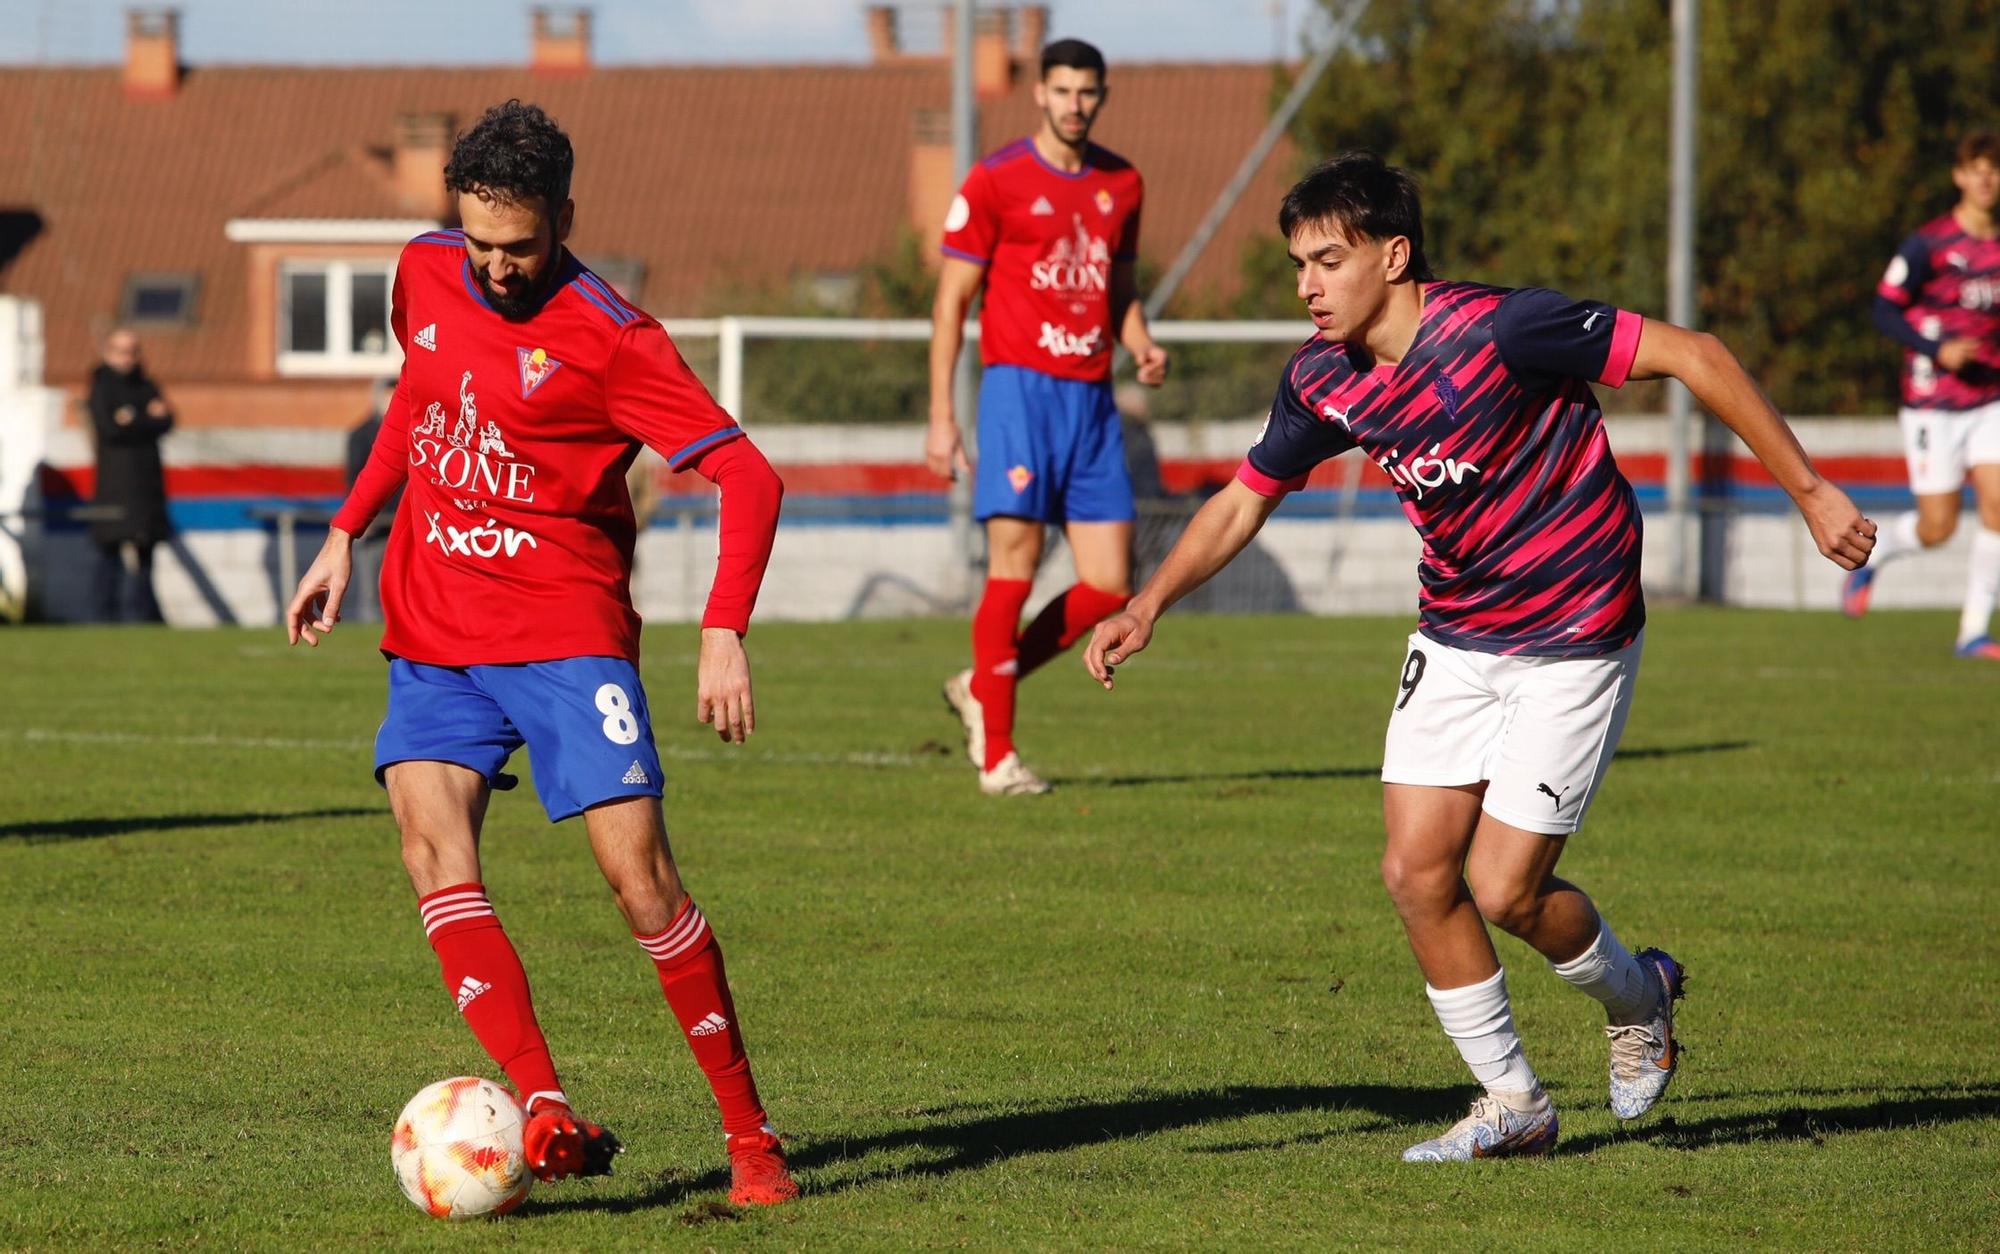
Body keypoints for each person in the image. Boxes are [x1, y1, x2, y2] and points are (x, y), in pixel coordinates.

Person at [1083, 154, 1877, 1161]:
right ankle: (1513, 1102)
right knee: (1414, 874)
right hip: (1455, 633)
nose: (1305, 287)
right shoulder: (1320, 378)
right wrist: (1148, 601)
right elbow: (1244, 496)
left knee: (1502, 891)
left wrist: (1806, 491)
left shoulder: (1502, 328)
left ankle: (1640, 997)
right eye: (1296, 265)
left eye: (1327, 261)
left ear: (1394, 254)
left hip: (1574, 631)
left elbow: (1693, 352)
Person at [283, 101, 797, 1205]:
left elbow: (750, 476)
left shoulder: (613, 337)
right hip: (435, 628)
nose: (497, 268)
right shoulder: (421, 273)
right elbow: (420, 410)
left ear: (565, 216)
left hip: (567, 636)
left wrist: (723, 629)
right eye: (479, 244)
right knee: (432, 854)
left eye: (519, 246)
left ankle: (750, 1137)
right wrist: (343, 534)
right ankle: (543, 1102)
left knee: (640, 883)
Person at [928, 37, 1169, 795]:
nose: (1074, 105)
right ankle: (998, 756)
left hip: (1092, 401)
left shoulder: (1121, 183)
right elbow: (951, 303)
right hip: (1018, 395)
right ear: (1040, 94)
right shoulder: (997, 179)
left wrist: (1141, 342)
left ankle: (980, 683)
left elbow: (1118, 291)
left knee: (1108, 583)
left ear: (1101, 97)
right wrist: (942, 413)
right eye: (1062, 91)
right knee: (1015, 569)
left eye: (1087, 93)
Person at [1845, 130, 2000, 657]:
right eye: (1976, 168)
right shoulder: (1929, 244)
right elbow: (1883, 310)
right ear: (1959, 176)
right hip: (1934, 404)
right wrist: (1936, 349)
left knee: (1998, 507)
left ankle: (1974, 631)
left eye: (1994, 169)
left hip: (1989, 401)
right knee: (1939, 526)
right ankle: (1878, 556)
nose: (1986, 178)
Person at [87, 327, 173, 622]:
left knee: (146, 557)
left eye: (133, 351)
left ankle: (146, 617)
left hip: (147, 487)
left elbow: (168, 420)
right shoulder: (101, 387)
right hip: (115, 486)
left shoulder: (147, 384)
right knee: (109, 555)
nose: (129, 358)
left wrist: (132, 419)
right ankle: (104, 617)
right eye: (122, 351)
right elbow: (109, 429)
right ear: (109, 352)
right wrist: (147, 418)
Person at [343, 378, 402, 624]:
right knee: (370, 582)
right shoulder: (361, 434)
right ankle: (370, 627)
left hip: (406, 521)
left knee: (401, 584)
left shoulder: (416, 429)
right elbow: (354, 477)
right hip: (376, 524)